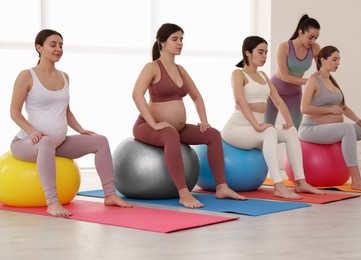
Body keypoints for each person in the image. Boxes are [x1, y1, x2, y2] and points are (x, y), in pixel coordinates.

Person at [9, 29, 132, 218]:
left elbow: (66, 111)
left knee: (100, 140)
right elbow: (14, 112)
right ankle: (52, 202)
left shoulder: (64, 77)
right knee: (46, 141)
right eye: (53, 44)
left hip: (56, 144)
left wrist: (82, 130)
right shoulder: (26, 76)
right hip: (27, 144)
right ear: (39, 48)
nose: (58, 48)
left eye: (61, 45)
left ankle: (110, 195)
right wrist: (32, 131)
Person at [132, 23, 246, 208]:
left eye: (181, 39)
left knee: (213, 134)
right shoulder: (152, 67)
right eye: (175, 39)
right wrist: (153, 123)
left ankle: (222, 187)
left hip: (177, 128)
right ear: (162, 42)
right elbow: (137, 95)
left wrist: (203, 120)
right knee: (170, 134)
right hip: (147, 127)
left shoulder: (180, 70)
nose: (180, 43)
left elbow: (196, 96)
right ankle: (183, 193)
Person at [221, 36, 324, 199]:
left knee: (291, 132)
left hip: (253, 129)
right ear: (248, 53)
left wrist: (289, 122)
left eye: (266, 53)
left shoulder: (263, 76)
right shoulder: (238, 74)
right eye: (260, 52)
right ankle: (278, 186)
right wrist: (257, 125)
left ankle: (300, 182)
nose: (264, 56)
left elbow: (278, 100)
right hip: (235, 129)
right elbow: (240, 101)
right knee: (269, 131)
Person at [299, 45, 361, 192]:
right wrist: (329, 110)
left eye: (339, 60)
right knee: (346, 129)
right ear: (322, 59)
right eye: (334, 59)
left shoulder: (332, 82)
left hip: (331, 130)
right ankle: (357, 180)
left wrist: (358, 120)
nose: (337, 63)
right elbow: (304, 108)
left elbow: (343, 107)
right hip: (310, 129)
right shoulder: (313, 80)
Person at [264, 14, 321, 129]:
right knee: (267, 129)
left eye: (316, 38)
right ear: (300, 33)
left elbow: (322, 69)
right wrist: (310, 81)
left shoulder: (315, 48)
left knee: (294, 130)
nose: (313, 41)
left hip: (294, 94)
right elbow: (285, 76)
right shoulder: (284, 47)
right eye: (310, 37)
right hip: (274, 92)